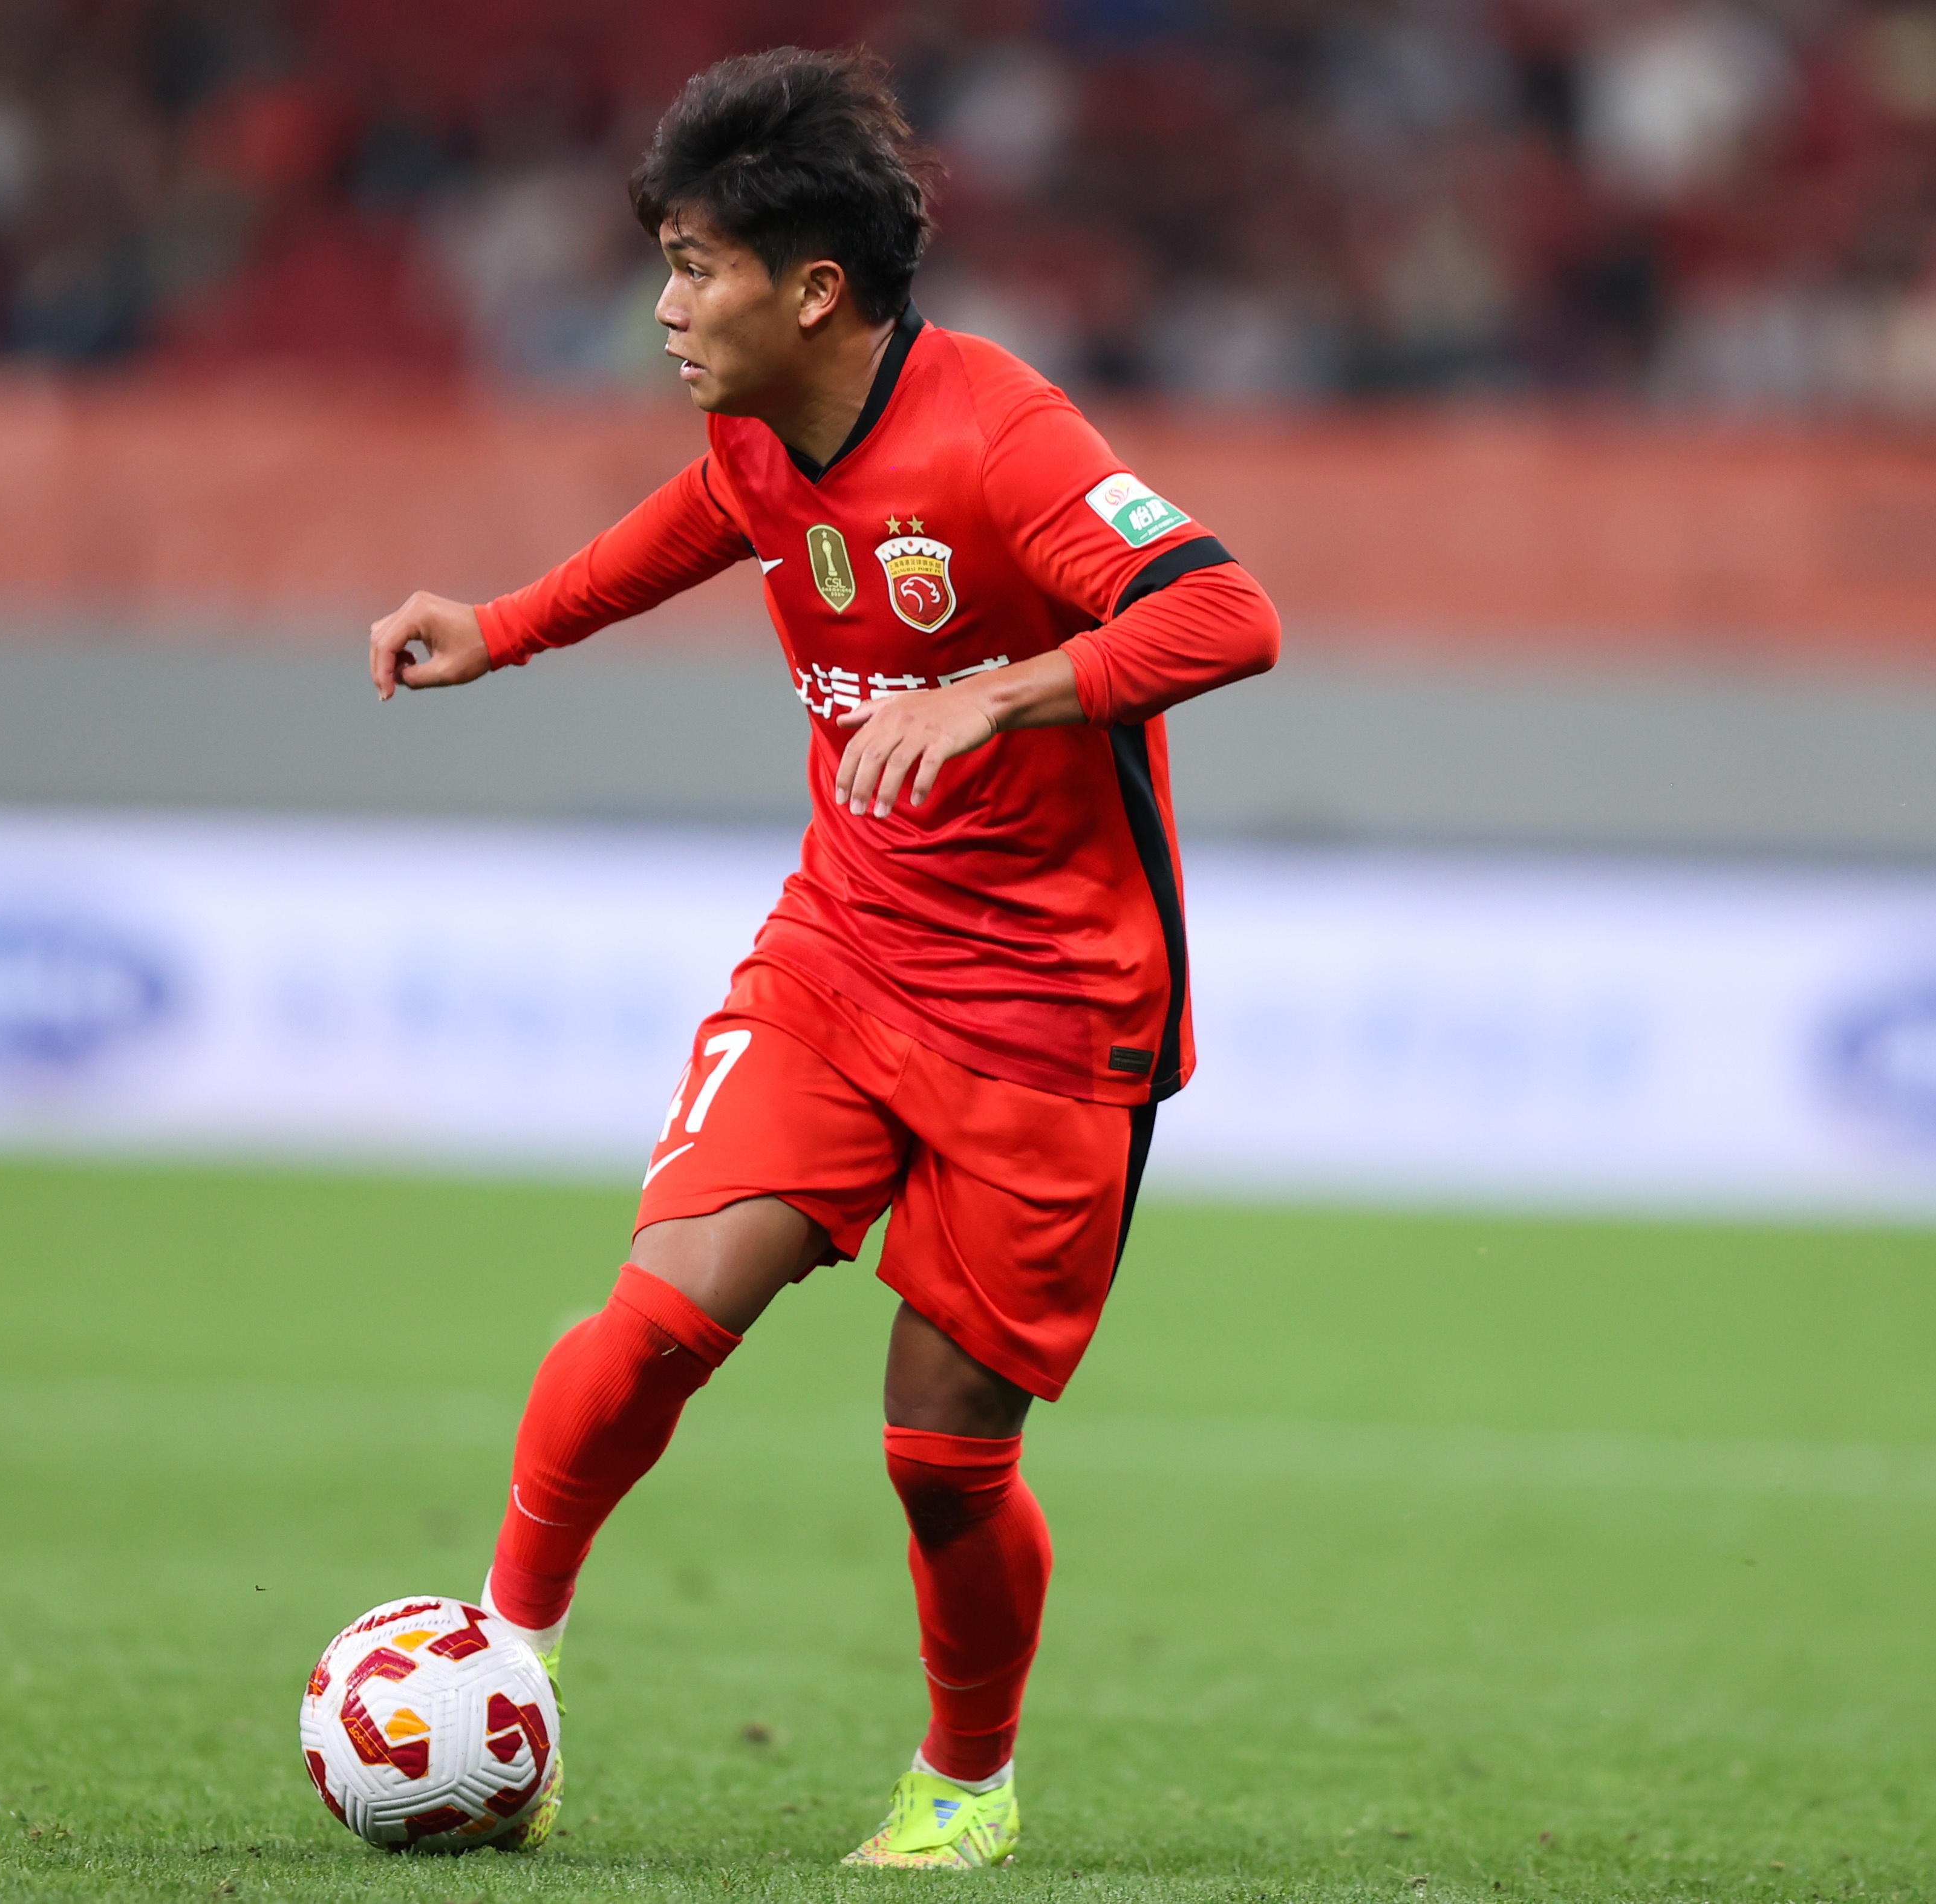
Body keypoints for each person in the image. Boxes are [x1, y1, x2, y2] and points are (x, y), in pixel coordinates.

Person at [366, 45, 1280, 1871]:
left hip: (1052, 1014)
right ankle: (503, 1667)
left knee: (942, 1461)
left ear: (812, 291)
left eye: (694, 268)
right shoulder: (753, 432)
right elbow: (698, 525)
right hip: (845, 955)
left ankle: (965, 1780)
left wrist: (1000, 692)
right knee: (655, 1319)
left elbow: (1226, 612)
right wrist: (506, 627)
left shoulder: (1001, 435)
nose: (664, 306)